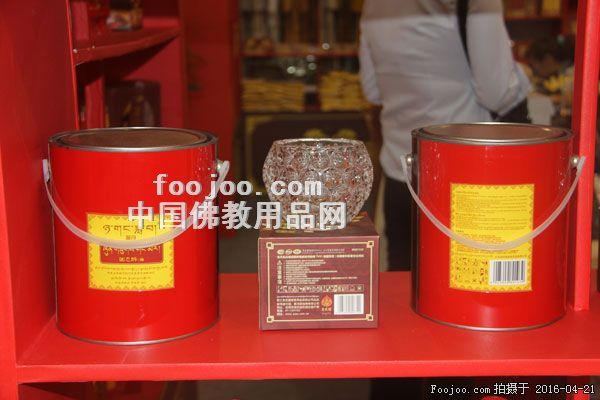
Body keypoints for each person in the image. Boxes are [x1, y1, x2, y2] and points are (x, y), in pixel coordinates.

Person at [359, 0, 531, 271]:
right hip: (466, 174)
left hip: (401, 171)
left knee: (406, 277)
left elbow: (373, 90)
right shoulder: (480, 3)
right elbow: (497, 93)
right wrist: (521, 75)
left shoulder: (375, 5)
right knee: (472, 277)